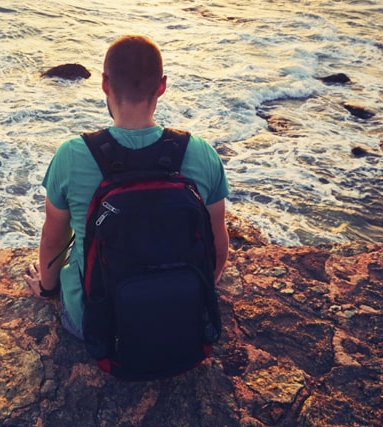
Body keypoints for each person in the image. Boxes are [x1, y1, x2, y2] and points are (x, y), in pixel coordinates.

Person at [24, 35, 230, 341]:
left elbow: (53, 238)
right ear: (161, 86)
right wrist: (196, 294)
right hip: (181, 314)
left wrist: (46, 288)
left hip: (97, 324)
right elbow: (217, 242)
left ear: (105, 84)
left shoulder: (71, 154)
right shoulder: (201, 153)